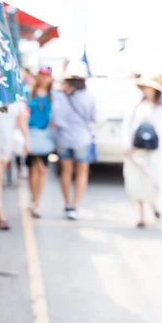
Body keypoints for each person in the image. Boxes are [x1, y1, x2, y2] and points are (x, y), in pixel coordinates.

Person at [122, 78, 162, 228]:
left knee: (155, 182)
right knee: (137, 182)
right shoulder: (136, 106)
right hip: (137, 150)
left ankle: (154, 206)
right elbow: (128, 126)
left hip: (157, 152)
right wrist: (127, 145)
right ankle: (141, 215)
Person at [50, 62, 96, 220]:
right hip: (82, 138)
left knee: (66, 171)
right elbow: (94, 117)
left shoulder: (59, 96)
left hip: (63, 138)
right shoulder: (88, 95)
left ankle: (67, 203)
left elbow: (55, 118)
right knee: (82, 172)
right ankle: (75, 205)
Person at [0, 101, 29, 230]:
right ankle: (1, 215)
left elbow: (22, 122)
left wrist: (27, 141)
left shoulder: (17, 99)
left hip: (7, 142)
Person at [26, 67, 54, 218]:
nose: (44, 79)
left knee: (42, 168)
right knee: (32, 169)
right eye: (41, 75)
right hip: (30, 134)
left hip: (45, 135)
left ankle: (37, 201)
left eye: (46, 76)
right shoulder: (29, 93)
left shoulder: (53, 96)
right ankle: (33, 197)